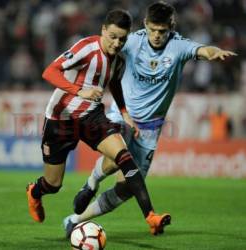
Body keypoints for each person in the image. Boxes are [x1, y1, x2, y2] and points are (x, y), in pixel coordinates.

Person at [64, 1, 237, 237]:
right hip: (122, 114)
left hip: (151, 129)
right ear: (145, 24)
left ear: (171, 28)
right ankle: (91, 183)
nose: (156, 36)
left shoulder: (178, 46)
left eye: (162, 31)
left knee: (125, 190)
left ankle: (74, 220)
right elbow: (107, 43)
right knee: (117, 156)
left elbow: (201, 50)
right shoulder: (132, 41)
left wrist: (212, 52)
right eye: (153, 30)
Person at [26, 9, 171, 236]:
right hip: (61, 119)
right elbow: (49, 72)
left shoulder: (118, 60)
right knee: (53, 184)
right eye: (112, 36)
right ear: (103, 30)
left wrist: (124, 112)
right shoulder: (86, 48)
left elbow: (114, 83)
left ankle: (151, 216)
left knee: (123, 157)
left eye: (122, 39)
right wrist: (79, 91)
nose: (116, 43)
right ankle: (35, 191)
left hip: (91, 116)